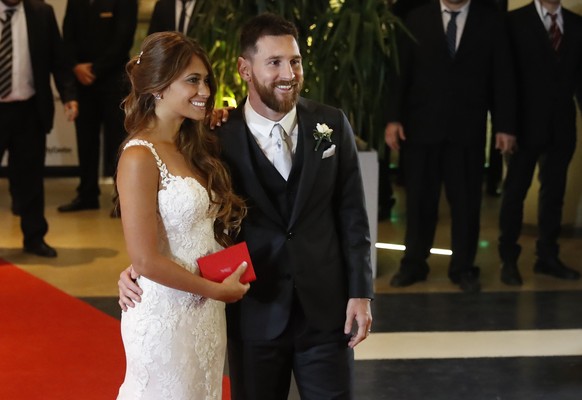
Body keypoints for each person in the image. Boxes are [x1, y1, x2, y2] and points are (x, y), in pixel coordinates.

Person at [120, 13, 374, 399]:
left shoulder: (331, 124)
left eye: (295, 61)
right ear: (245, 69)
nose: (287, 73)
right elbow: (175, 215)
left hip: (326, 313)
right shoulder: (214, 138)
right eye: (274, 62)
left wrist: (361, 291)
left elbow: (353, 215)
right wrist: (140, 267)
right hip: (252, 311)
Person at [115, 32, 250, 399]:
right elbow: (143, 258)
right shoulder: (139, 157)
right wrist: (215, 291)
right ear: (158, 87)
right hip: (165, 316)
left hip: (205, 314)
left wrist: (214, 294)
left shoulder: (194, 144)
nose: (205, 90)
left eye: (206, 80)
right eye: (192, 80)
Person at [385, 0, 516, 293]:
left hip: (467, 132)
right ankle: (414, 264)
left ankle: (464, 268)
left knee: (467, 204)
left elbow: (502, 75)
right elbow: (400, 72)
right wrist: (393, 119)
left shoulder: (490, 20)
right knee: (419, 202)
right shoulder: (415, 17)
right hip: (420, 129)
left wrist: (505, 125)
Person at [498, 0, 582, 286]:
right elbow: (505, 77)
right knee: (514, 193)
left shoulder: (576, 23)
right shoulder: (514, 21)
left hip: (562, 127)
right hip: (522, 127)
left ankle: (547, 256)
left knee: (554, 194)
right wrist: (505, 127)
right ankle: (508, 259)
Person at [0, 0, 78, 258]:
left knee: (30, 177)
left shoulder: (41, 13)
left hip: (29, 110)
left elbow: (59, 58)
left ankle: (34, 238)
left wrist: (69, 96)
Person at [57, 0, 137, 213]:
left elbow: (123, 39)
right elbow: (68, 36)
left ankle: (121, 199)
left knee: (117, 142)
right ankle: (87, 194)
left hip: (114, 82)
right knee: (86, 141)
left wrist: (94, 70)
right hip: (82, 84)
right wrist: (75, 66)